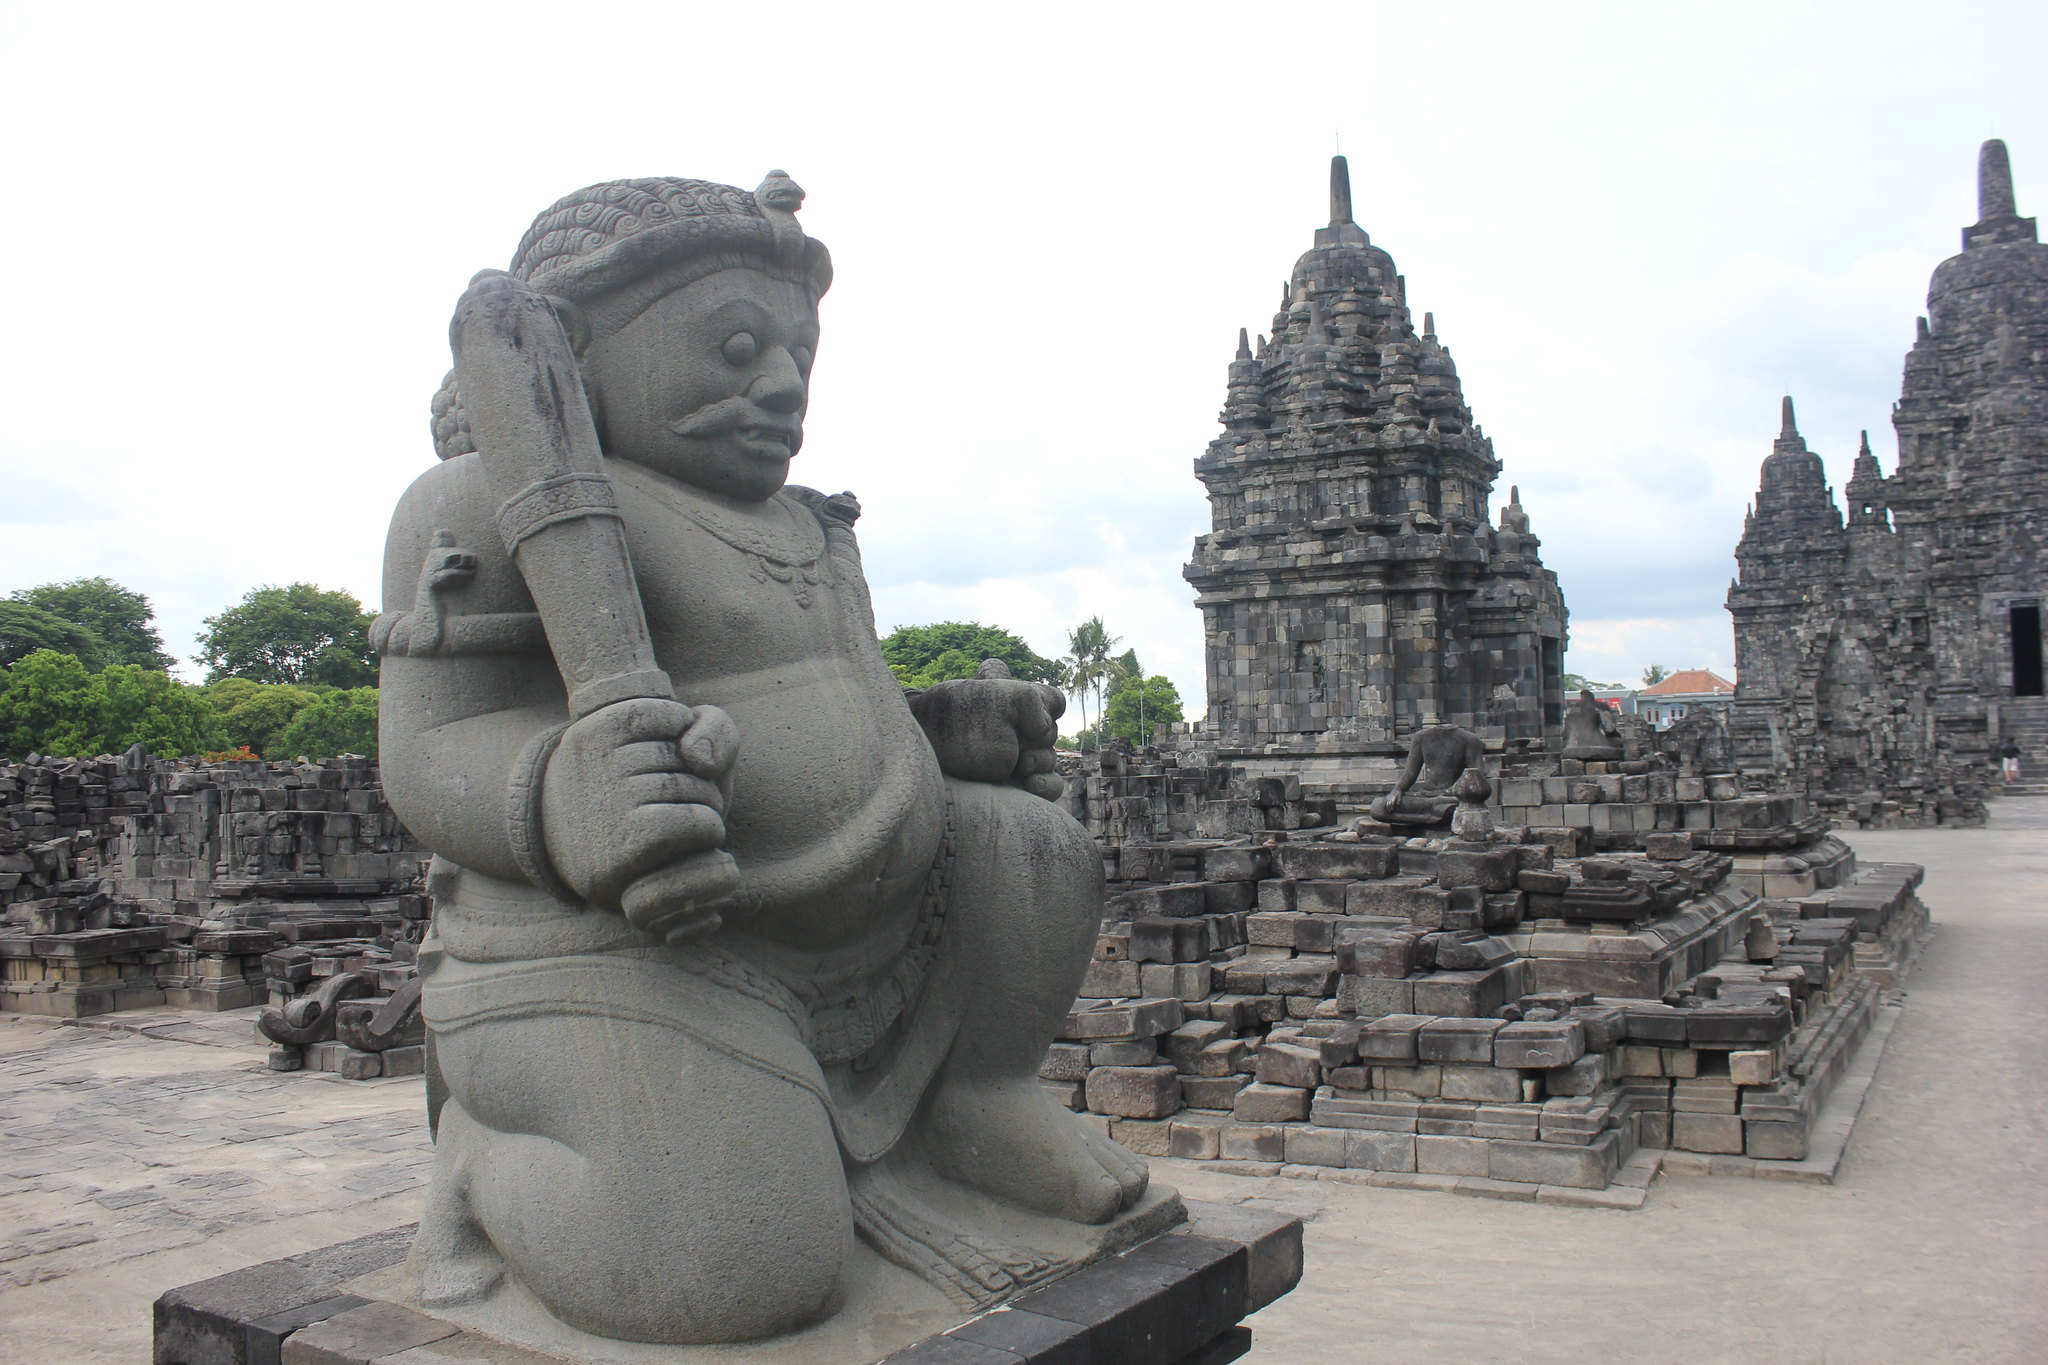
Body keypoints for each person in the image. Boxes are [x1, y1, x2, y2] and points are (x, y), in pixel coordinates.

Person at [375, 172, 1158, 1347]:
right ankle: (487, 1167)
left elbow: (826, 690)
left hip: (877, 926)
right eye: (735, 347)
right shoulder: (476, 504)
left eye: (798, 355)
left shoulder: (809, 525)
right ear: (574, 352)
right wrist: (555, 797)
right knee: (733, 1272)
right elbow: (429, 746)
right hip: (632, 944)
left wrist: (935, 725)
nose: (783, 385)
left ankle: (974, 1098)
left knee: (1027, 842)